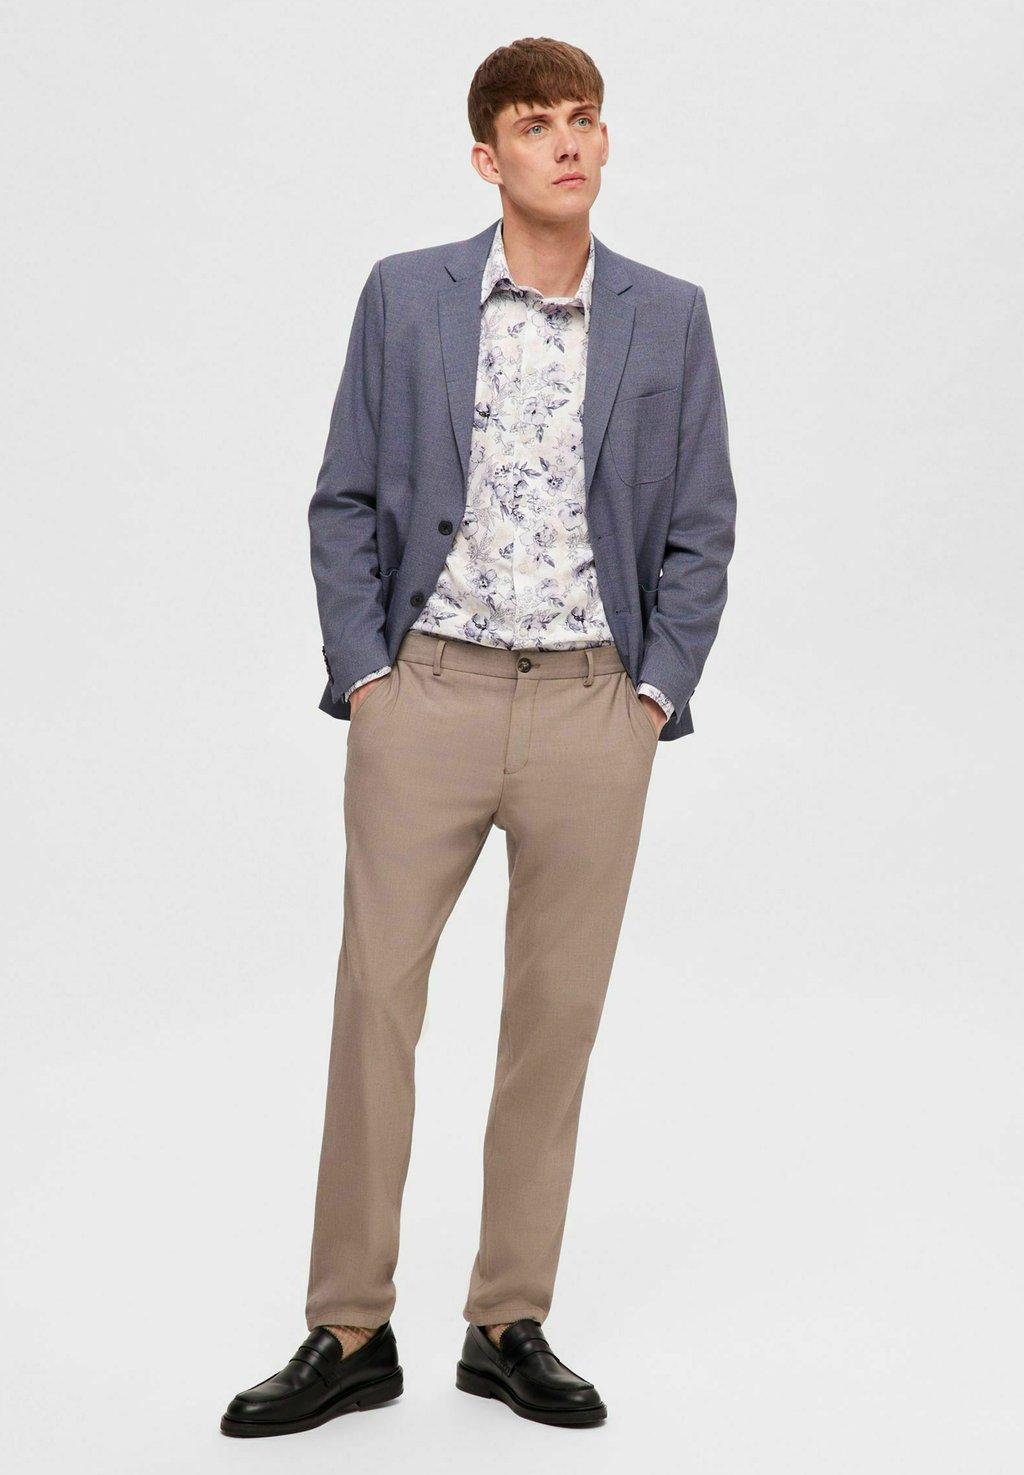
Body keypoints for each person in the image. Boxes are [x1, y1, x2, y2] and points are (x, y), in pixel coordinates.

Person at [221, 35, 736, 1437]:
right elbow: (343, 498)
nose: (568, 142)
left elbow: (701, 524)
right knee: (375, 1003)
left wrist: (654, 693)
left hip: (592, 705)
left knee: (554, 1021)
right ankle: (348, 1328)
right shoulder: (408, 296)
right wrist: (366, 677)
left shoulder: (670, 314)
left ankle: (509, 1322)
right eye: (536, 123)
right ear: (485, 155)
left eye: (586, 119)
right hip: (428, 694)